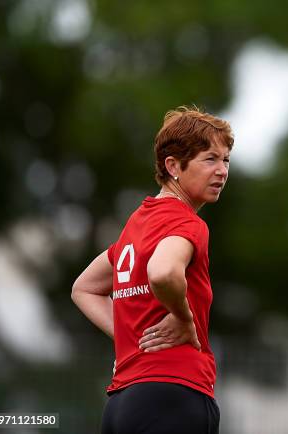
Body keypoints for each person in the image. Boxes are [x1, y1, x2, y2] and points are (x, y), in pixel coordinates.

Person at [71, 105, 233, 434]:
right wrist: (183, 317)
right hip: (173, 396)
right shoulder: (187, 222)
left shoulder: (138, 223)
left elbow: (84, 288)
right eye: (209, 159)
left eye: (226, 160)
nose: (222, 171)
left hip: (122, 404)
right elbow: (163, 272)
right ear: (172, 165)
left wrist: (132, 340)